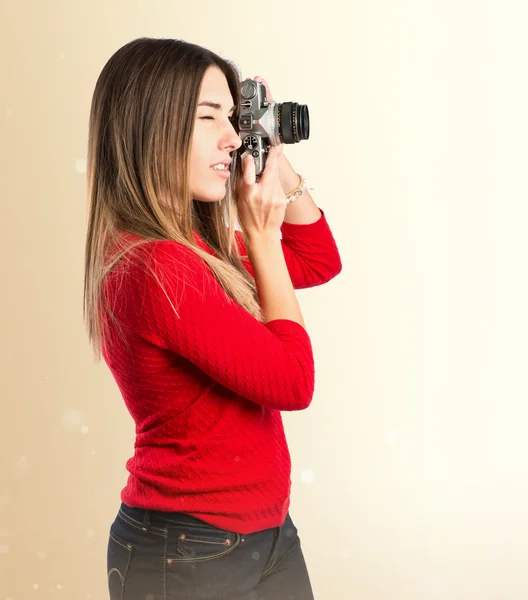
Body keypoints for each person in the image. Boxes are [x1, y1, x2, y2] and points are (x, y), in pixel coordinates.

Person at [82, 37, 342, 599]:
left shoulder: (198, 246)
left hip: (265, 533)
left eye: (234, 118)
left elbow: (319, 258)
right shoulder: (154, 265)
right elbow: (293, 381)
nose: (231, 137)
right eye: (208, 117)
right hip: (190, 549)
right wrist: (262, 236)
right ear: (151, 126)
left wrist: (270, 147)